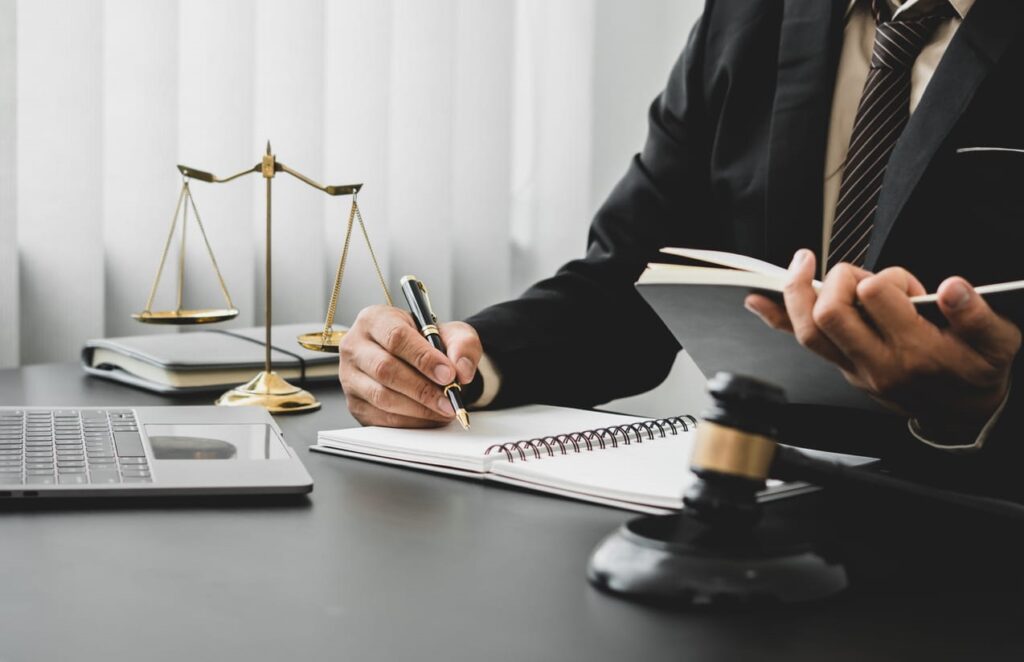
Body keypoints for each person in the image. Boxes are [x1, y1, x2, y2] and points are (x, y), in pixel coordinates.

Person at [338, 0, 1024, 482]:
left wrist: (989, 408)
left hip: (978, 539)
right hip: (753, 516)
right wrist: (460, 362)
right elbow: (630, 280)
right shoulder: (746, 18)